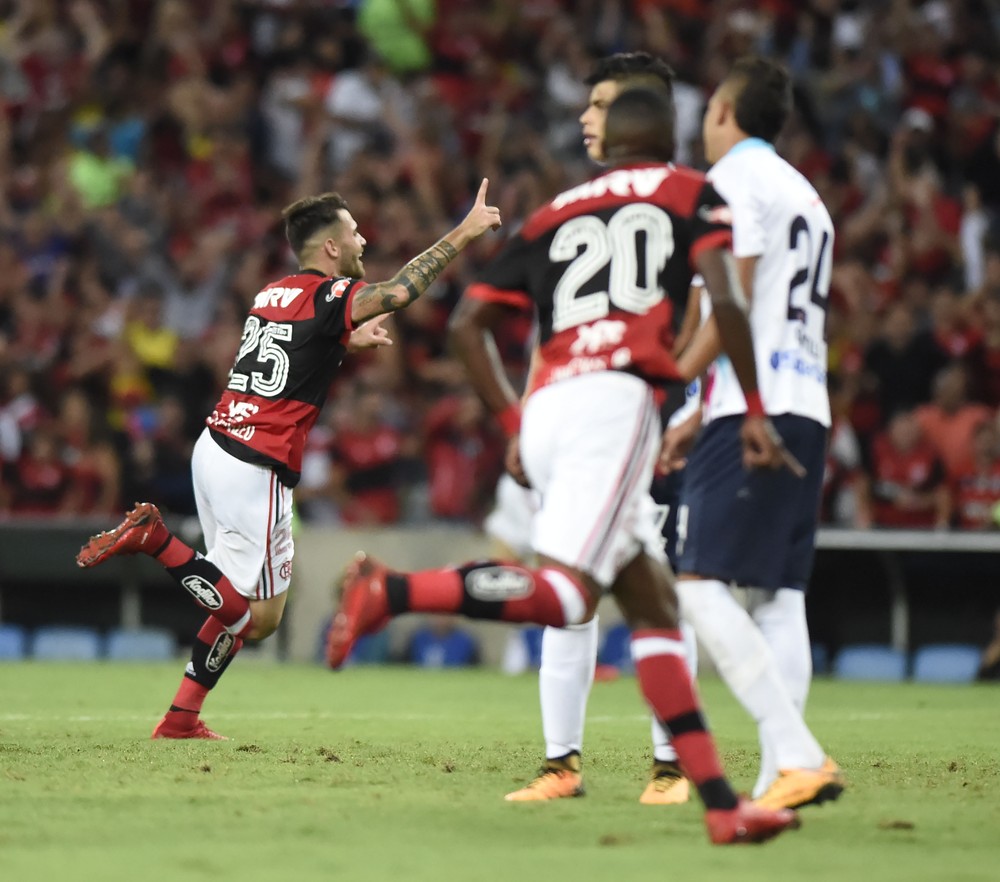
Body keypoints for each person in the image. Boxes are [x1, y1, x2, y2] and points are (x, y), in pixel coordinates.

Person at [326, 86, 800, 845]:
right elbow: (728, 302)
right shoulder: (691, 193)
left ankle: (720, 805)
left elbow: (466, 323)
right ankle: (396, 590)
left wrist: (514, 420)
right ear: (666, 136)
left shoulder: (557, 211)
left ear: (609, 142)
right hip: (614, 407)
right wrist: (750, 407)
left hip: (548, 402)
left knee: (651, 604)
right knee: (566, 594)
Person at [75, 182, 502, 739]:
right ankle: (154, 537)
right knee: (246, 616)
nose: (363, 238)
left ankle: (181, 716)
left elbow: (288, 357)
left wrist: (348, 342)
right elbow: (399, 292)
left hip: (218, 447)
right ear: (330, 247)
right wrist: (464, 233)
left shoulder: (274, 293)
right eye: (353, 231)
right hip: (257, 463)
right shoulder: (331, 296)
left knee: (261, 615)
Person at [467, 52, 705, 806]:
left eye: (601, 104)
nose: (586, 117)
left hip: (658, 419)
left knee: (663, 586)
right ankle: (559, 762)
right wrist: (530, 413)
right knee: (574, 584)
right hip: (581, 414)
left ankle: (670, 765)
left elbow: (715, 311)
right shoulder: (579, 206)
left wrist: (692, 407)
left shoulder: (693, 199)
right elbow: (556, 330)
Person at [660, 56, 844, 809]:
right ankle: (779, 778)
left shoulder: (733, 181)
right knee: (777, 595)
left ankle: (798, 753)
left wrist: (674, 385)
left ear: (727, 114)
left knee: (697, 580)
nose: (702, 126)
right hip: (805, 400)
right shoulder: (809, 197)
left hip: (754, 406)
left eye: (708, 112)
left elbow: (729, 296)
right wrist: (702, 409)